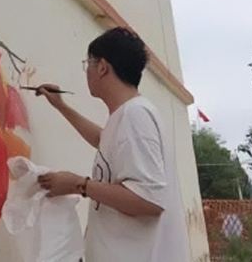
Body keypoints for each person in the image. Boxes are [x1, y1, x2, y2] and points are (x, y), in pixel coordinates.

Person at [35, 27, 189, 262]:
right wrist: (61, 106)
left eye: (88, 63)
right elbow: (104, 140)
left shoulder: (135, 116)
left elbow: (149, 200)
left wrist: (78, 184)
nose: (87, 71)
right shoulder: (129, 115)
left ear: (102, 67)